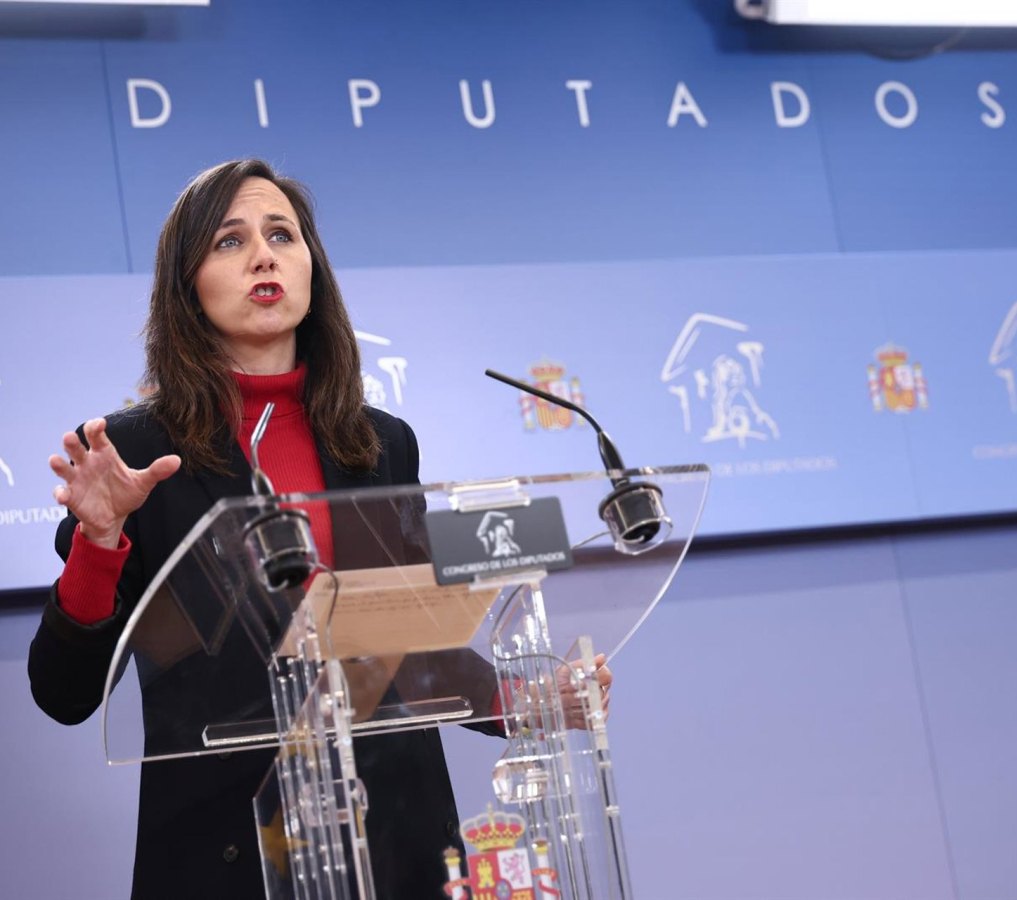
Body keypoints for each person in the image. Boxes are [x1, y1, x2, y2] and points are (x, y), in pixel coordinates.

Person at [27, 159, 611, 899]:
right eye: (231, 241)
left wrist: (526, 701)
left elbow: (401, 645)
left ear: (312, 268)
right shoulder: (136, 452)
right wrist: (101, 540)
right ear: (187, 285)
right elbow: (64, 692)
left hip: (394, 842)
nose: (264, 256)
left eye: (282, 235)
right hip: (229, 852)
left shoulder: (379, 443)